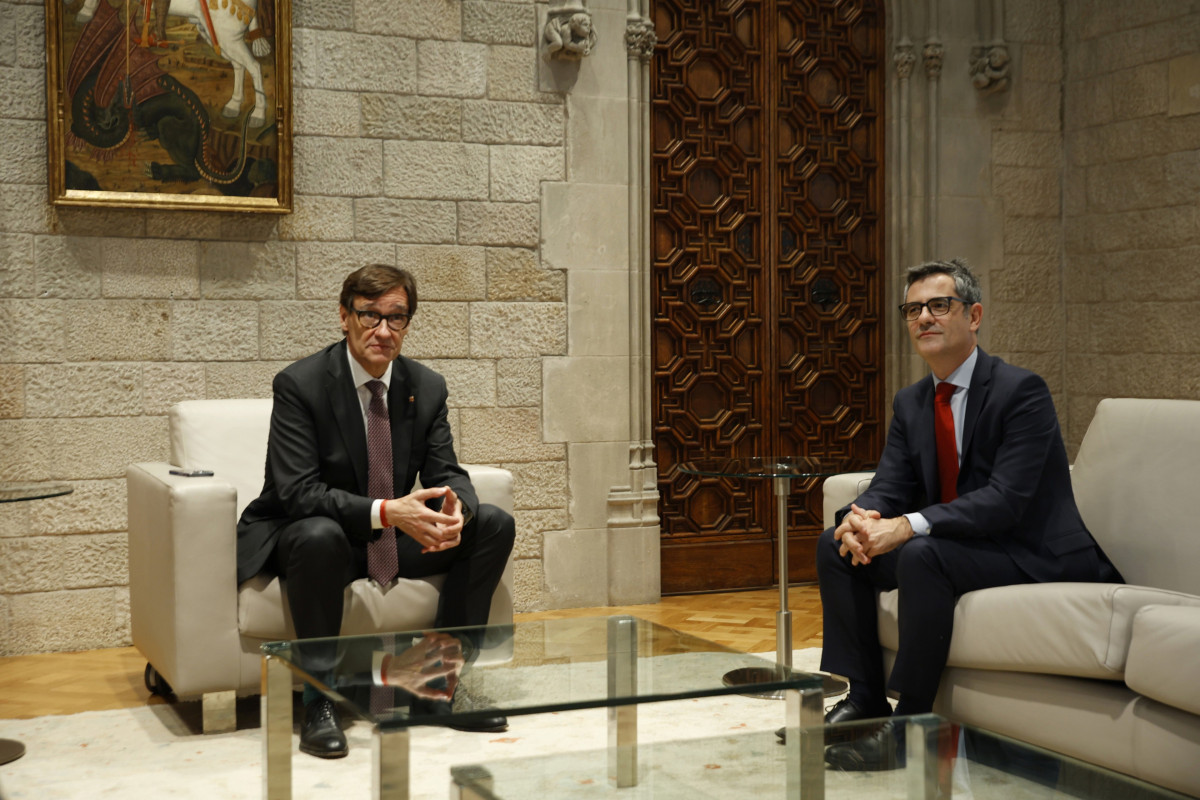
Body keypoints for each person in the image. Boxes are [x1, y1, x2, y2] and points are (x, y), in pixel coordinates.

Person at [806, 258, 1121, 770]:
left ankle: (909, 728)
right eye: (913, 310)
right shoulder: (911, 403)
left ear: (973, 316)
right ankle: (863, 700)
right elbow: (892, 483)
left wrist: (908, 525)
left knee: (922, 553)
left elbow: (1006, 500)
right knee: (835, 547)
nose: (924, 318)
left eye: (938, 305)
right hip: (963, 548)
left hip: (1028, 551)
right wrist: (859, 518)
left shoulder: (1022, 392)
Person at [236, 264, 515, 759]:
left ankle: (436, 686)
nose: (383, 331)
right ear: (344, 317)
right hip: (312, 540)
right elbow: (297, 492)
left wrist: (456, 512)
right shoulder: (301, 384)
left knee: (493, 523)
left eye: (397, 318)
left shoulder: (425, 387)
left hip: (384, 543)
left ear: (408, 323)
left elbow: (449, 471)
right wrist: (388, 512)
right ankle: (318, 701)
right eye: (370, 316)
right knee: (319, 533)